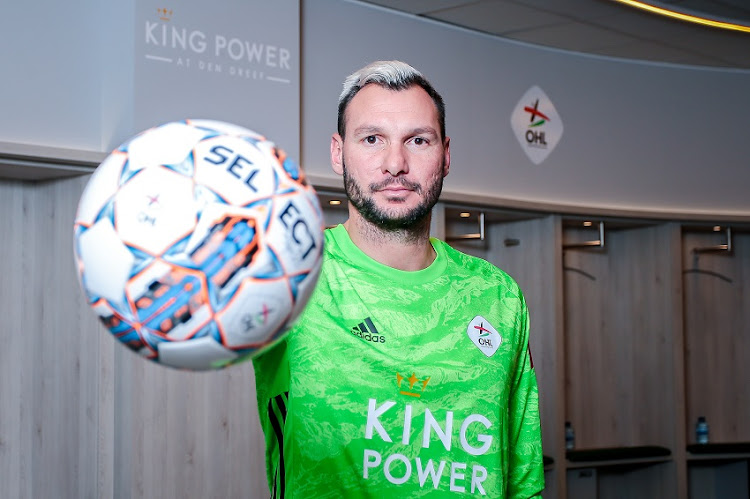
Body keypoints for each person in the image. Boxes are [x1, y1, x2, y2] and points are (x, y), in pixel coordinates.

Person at [253, 60, 544, 498]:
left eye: (418, 140)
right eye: (372, 139)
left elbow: (523, 479)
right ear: (338, 152)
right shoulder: (288, 271)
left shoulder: (498, 296)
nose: (395, 163)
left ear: (445, 155)